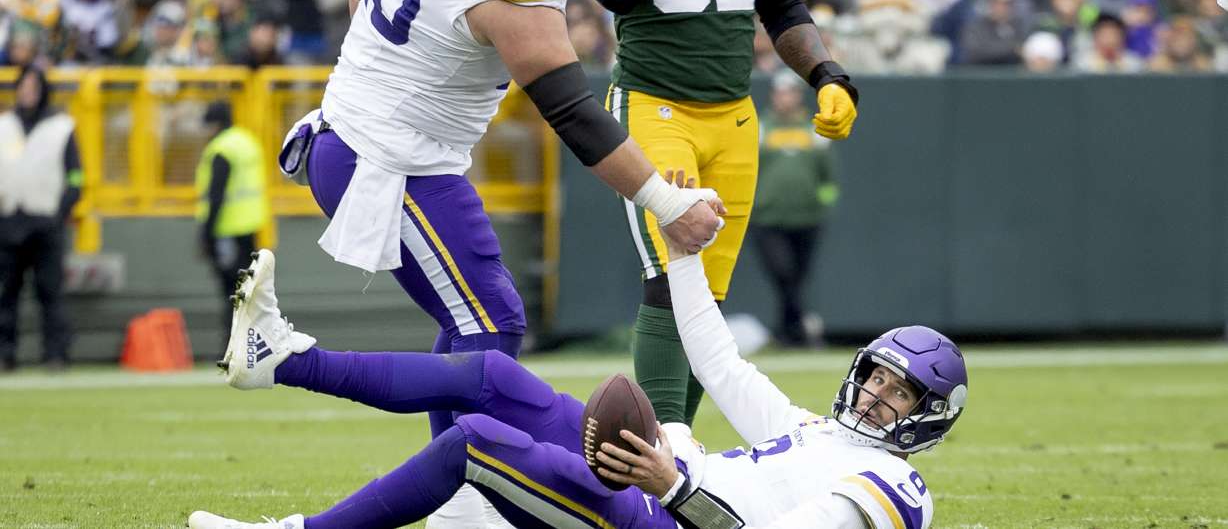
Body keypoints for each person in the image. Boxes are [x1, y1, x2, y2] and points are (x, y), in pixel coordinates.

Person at [275, 0, 722, 525]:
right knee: (489, 324)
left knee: (479, 323)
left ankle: (462, 486)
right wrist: (664, 201)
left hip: (368, 134)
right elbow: (571, 110)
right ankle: (461, 496)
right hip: (390, 157)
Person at [188, 219, 966, 528]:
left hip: (669, 519)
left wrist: (676, 483)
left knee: (478, 443)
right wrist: (680, 246)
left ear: (929, 416)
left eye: (902, 393)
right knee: (491, 377)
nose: (878, 395)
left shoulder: (899, 488)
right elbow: (717, 358)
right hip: (666, 486)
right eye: (878, 376)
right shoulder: (812, 429)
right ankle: (282, 359)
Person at [580, 0, 859, 434]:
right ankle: (657, 460)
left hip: (733, 114)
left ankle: (675, 468)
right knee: (668, 280)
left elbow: (780, 1)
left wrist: (826, 73)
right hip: (654, 107)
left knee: (705, 296)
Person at [0, 66, 82, 371]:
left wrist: (60, 211)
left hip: (45, 221)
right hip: (8, 220)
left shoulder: (60, 126)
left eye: (34, 85)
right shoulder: (4, 125)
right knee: (6, 293)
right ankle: (5, 354)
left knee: (50, 292)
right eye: (23, 84)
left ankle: (56, 354)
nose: (28, 90)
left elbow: (76, 175)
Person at [751, 73, 838, 346]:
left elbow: (828, 176)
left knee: (797, 279)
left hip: (807, 219)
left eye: (791, 92)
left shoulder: (814, 131)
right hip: (768, 218)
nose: (786, 98)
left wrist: (821, 201)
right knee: (784, 274)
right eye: (781, 92)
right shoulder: (760, 128)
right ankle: (801, 329)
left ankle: (786, 333)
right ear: (774, 95)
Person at [196, 101, 268, 350]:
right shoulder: (247, 142)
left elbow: (216, 195)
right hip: (251, 227)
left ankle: (232, 347)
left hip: (227, 231)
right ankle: (249, 345)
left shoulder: (222, 149)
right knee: (248, 292)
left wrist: (205, 235)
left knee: (232, 293)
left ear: (214, 125)